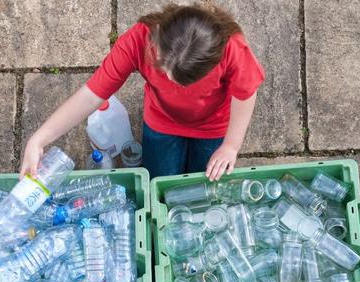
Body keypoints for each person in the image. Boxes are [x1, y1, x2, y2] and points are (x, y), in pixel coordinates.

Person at [20, 2, 265, 180]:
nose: (170, 81)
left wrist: (231, 146)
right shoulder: (138, 39)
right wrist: (38, 139)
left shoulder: (232, 48)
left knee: (203, 182)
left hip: (214, 125)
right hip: (162, 121)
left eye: (182, 80)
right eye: (164, 69)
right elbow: (91, 95)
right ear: (157, 37)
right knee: (159, 179)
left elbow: (245, 93)